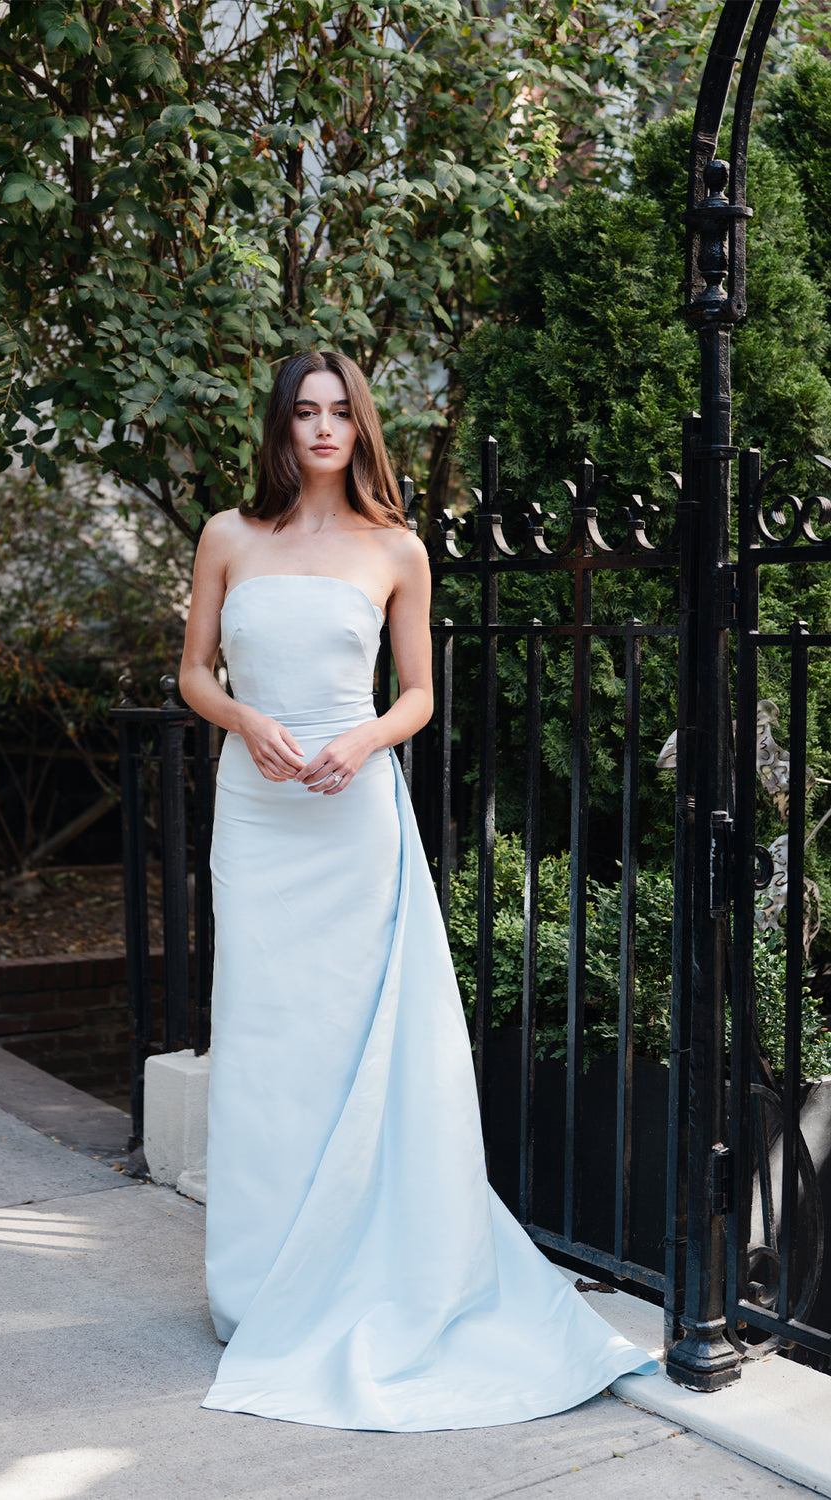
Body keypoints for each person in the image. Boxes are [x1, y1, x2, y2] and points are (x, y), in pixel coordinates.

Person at [178, 349, 655, 1431]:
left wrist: (360, 741)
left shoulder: (396, 547)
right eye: (303, 412)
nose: (321, 428)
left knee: (359, 1038)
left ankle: (366, 1266)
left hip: (352, 816)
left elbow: (420, 695)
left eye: (339, 411)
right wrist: (245, 720)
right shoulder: (227, 536)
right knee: (266, 1036)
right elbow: (194, 671)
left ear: (362, 427)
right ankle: (257, 1286)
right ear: (280, 427)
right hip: (257, 817)